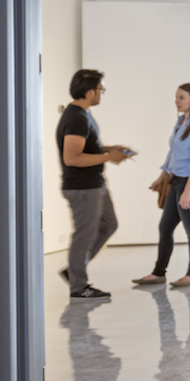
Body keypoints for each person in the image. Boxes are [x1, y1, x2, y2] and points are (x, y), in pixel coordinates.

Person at [57, 69, 132, 300]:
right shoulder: (76, 118)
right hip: (82, 187)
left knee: (109, 224)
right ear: (89, 92)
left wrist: (108, 149)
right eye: (100, 89)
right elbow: (72, 158)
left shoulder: (83, 114)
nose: (101, 94)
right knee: (84, 234)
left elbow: (85, 148)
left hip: (94, 183)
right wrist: (109, 158)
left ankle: (75, 269)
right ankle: (78, 286)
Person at [133, 83, 190, 288]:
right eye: (176, 97)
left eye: (181, 98)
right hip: (177, 181)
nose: (176, 102)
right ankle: (158, 273)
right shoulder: (181, 122)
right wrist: (162, 175)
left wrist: (188, 191)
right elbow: (173, 153)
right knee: (165, 227)